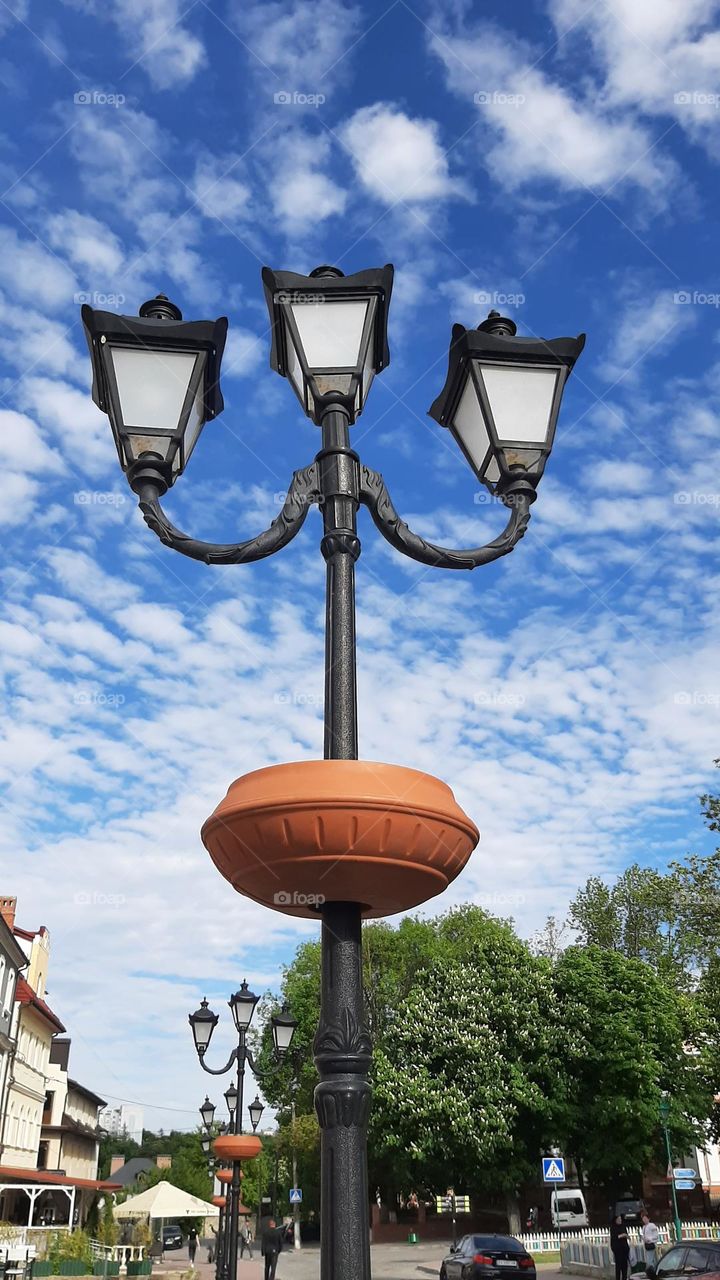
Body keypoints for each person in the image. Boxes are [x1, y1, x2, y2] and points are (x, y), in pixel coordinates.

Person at [610, 1215, 630, 1280]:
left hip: (624, 1249)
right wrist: (622, 1235)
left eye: (620, 1219)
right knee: (618, 1266)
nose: (620, 1220)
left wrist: (626, 1236)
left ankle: (624, 1278)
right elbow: (614, 1237)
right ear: (615, 1220)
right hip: (618, 1249)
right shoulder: (613, 1228)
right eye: (618, 1219)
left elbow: (626, 1235)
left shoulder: (623, 1226)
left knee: (625, 1265)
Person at [641, 1211, 659, 1277]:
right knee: (653, 1259)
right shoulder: (644, 1227)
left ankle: (651, 1273)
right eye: (643, 1219)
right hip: (646, 1244)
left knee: (649, 1260)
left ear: (649, 1218)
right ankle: (654, 1272)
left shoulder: (652, 1225)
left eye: (645, 1218)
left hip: (651, 1244)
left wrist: (650, 1239)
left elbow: (656, 1236)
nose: (644, 1220)